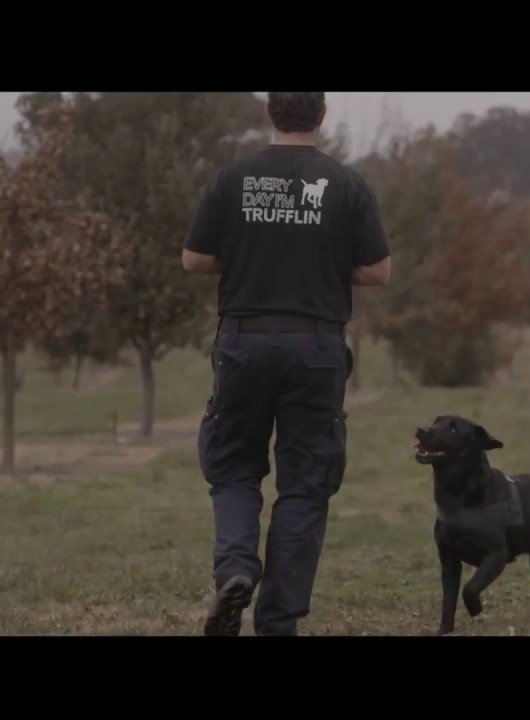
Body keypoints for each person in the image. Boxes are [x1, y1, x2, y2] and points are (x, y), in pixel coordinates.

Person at [181, 92, 392, 636]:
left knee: (233, 467)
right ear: (321, 116)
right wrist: (317, 261)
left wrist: (254, 255)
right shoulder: (347, 185)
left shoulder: (233, 179)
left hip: (244, 342)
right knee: (305, 481)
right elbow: (377, 271)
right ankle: (278, 620)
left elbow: (195, 259)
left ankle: (234, 570)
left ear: (269, 113)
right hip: (316, 348)